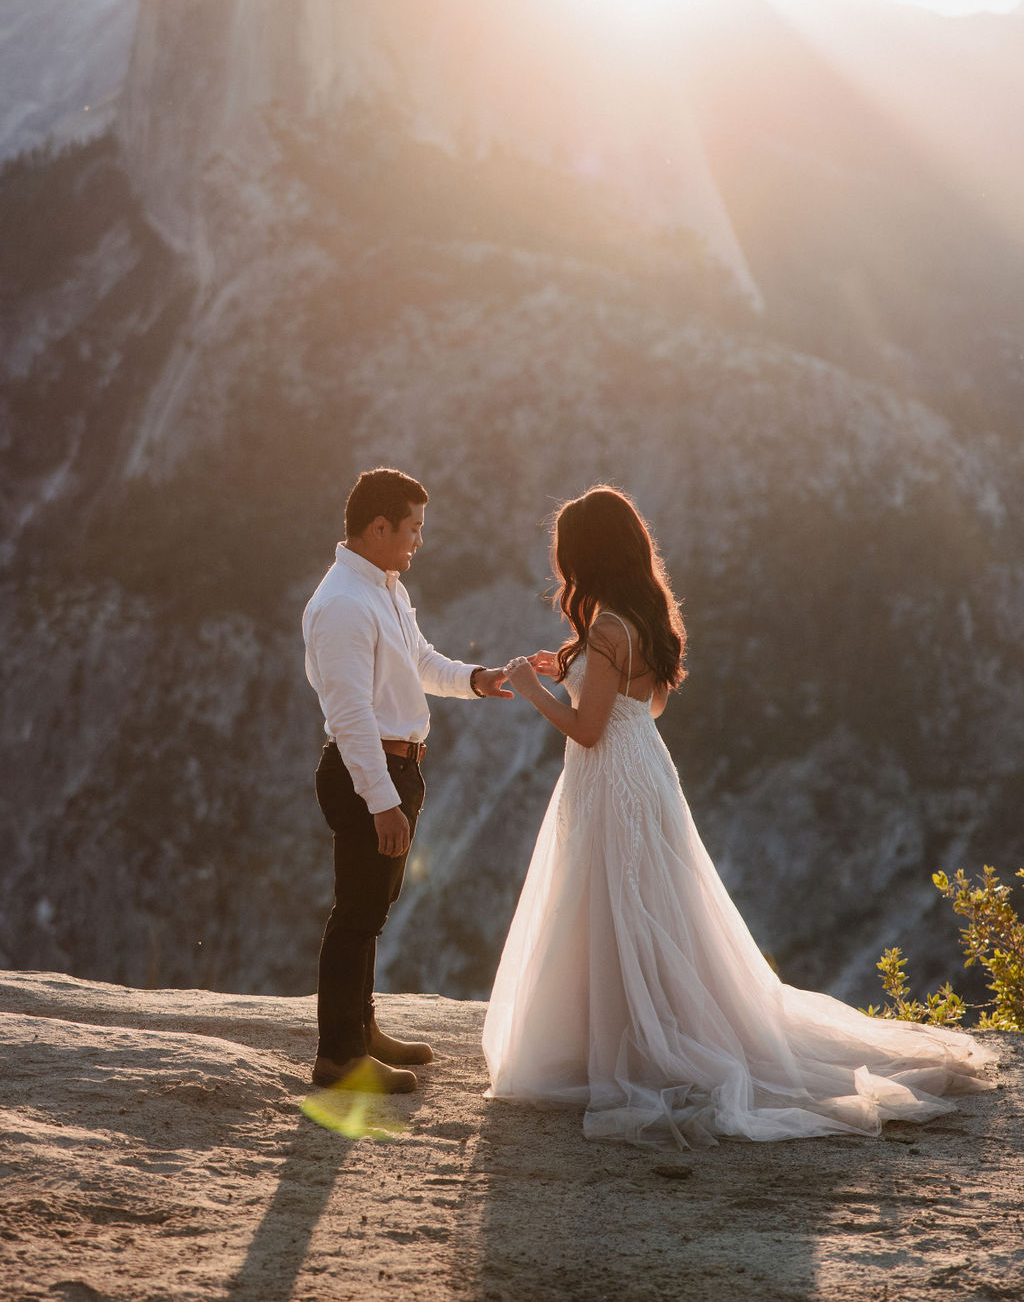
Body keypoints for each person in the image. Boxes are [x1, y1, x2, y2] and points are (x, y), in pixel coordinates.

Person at [483, 486, 994, 1147]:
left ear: (585, 555)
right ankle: (632, 1031)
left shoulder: (608, 627)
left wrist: (534, 689)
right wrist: (574, 667)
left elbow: (586, 729)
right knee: (649, 906)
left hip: (609, 774)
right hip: (644, 768)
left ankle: (614, 1043)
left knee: (613, 902)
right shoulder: (640, 617)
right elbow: (647, 706)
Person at [303, 466, 512, 1094]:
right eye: (413, 529)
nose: (419, 541)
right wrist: (383, 801)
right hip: (368, 771)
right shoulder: (342, 601)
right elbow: (350, 715)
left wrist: (476, 679)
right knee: (357, 914)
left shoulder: (385, 587)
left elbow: (420, 661)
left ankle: (360, 1029)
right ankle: (339, 1058)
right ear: (378, 526)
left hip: (395, 766)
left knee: (372, 907)